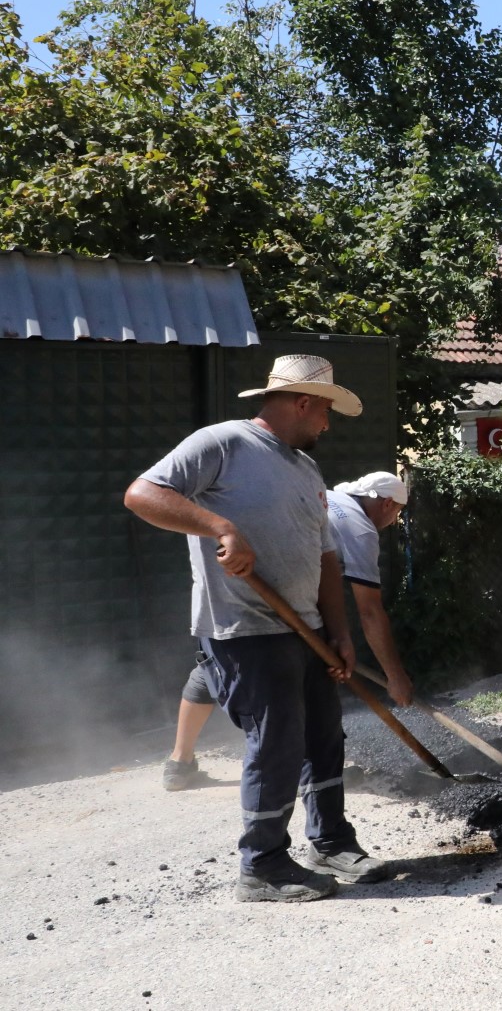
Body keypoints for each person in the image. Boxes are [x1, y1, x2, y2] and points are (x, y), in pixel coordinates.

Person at [125, 354, 389, 902]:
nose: (328, 425)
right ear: (304, 403)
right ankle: (263, 865)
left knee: (323, 738)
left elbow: (326, 557)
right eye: (326, 412)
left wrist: (339, 632)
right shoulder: (221, 443)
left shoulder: (306, 469)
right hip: (244, 629)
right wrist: (220, 526)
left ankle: (331, 841)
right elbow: (142, 495)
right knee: (276, 744)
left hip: (306, 629)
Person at [160, 470, 415, 790]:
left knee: (213, 667)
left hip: (230, 587)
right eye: (398, 512)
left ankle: (179, 763)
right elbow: (370, 611)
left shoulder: (329, 498)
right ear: (388, 504)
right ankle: (314, 771)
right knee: (304, 677)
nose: (394, 520)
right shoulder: (361, 529)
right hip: (276, 596)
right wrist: (395, 676)